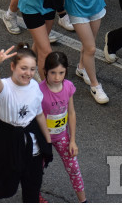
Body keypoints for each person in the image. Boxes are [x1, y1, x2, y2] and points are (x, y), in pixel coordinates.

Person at [0, 44, 52, 203]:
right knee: (8, 188)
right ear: (13, 66)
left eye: (32, 69)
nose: (28, 73)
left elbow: (39, 114)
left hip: (32, 148)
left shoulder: (34, 86)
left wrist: (47, 141)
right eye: (24, 68)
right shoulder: (5, 88)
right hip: (9, 143)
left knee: (32, 189)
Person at [38, 52, 86, 202]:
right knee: (36, 170)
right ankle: (34, 195)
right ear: (45, 70)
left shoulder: (68, 87)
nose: (57, 77)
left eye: (61, 73)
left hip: (62, 137)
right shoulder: (38, 91)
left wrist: (72, 140)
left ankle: (83, 201)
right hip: (41, 139)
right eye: (53, 72)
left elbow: (71, 113)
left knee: (74, 168)